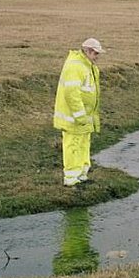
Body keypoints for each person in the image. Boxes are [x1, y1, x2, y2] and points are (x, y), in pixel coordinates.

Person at [53, 37, 103, 186]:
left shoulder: (87, 65)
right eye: (95, 53)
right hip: (74, 118)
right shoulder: (76, 66)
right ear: (87, 51)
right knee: (73, 146)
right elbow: (72, 94)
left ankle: (81, 174)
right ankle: (71, 179)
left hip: (84, 118)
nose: (97, 57)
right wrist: (80, 116)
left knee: (83, 144)